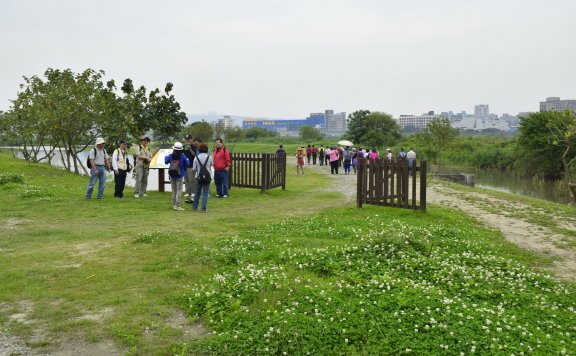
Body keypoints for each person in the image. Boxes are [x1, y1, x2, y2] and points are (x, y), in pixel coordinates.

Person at [164, 142, 190, 210]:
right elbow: (187, 164)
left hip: (172, 175)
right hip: (180, 175)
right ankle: (177, 205)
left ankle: (174, 204)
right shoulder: (183, 156)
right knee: (179, 190)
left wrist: (167, 156)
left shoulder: (171, 156)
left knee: (174, 190)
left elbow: (166, 161)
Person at [192, 143, 213, 213]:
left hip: (198, 177)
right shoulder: (209, 157)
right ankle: (203, 208)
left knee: (197, 192)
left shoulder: (196, 157)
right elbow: (211, 165)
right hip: (207, 176)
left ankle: (194, 207)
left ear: (199, 150)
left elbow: (194, 169)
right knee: (205, 193)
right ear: (207, 150)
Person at [183, 135, 197, 203]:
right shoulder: (184, 146)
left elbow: (194, 154)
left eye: (188, 139)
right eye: (186, 139)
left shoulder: (193, 146)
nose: (187, 140)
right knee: (186, 179)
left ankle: (193, 192)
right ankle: (188, 192)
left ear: (191, 139)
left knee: (192, 179)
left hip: (191, 165)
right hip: (185, 165)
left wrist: (190, 148)